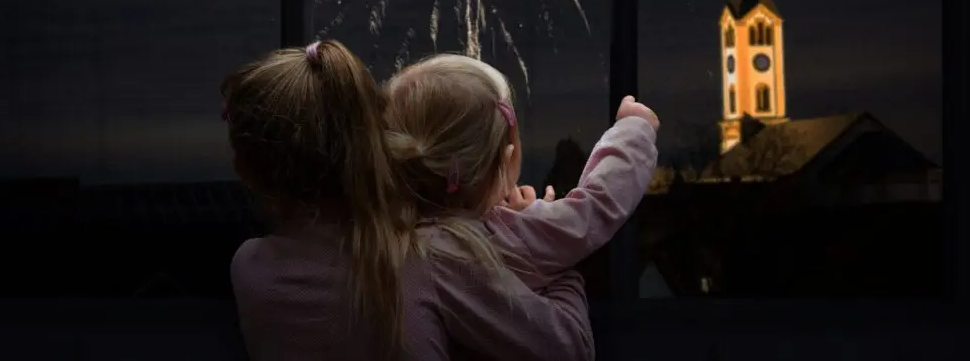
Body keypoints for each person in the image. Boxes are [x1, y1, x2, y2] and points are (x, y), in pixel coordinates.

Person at [223, 41, 595, 361]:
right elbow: (571, 346)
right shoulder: (426, 256)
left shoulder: (249, 267)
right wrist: (554, 248)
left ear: (246, 169)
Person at [384, 53, 659, 292]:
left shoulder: (386, 240)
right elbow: (598, 204)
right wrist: (634, 130)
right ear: (507, 158)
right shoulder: (513, 233)